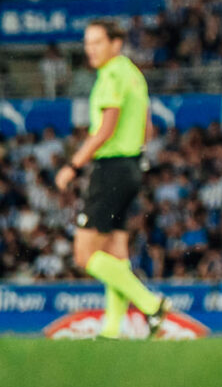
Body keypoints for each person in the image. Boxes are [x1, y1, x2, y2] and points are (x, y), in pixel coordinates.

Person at [52, 20, 170, 339]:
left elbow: (104, 130)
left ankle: (150, 303)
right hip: (132, 167)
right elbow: (148, 128)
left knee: (85, 254)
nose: (90, 49)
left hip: (112, 169)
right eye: (87, 43)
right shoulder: (134, 74)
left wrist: (72, 167)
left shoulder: (112, 75)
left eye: (97, 42)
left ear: (116, 44)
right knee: (117, 252)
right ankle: (112, 329)